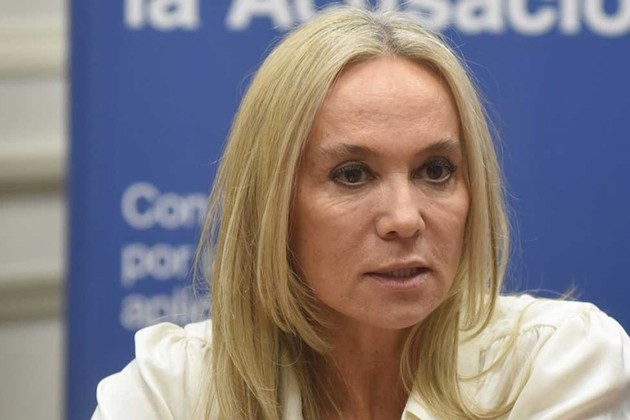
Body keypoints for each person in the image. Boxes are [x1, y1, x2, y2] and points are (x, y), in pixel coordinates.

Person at [92, 7, 630, 420]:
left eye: (436, 170)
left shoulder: (561, 363)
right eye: (352, 174)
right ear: (273, 206)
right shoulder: (172, 390)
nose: (405, 218)